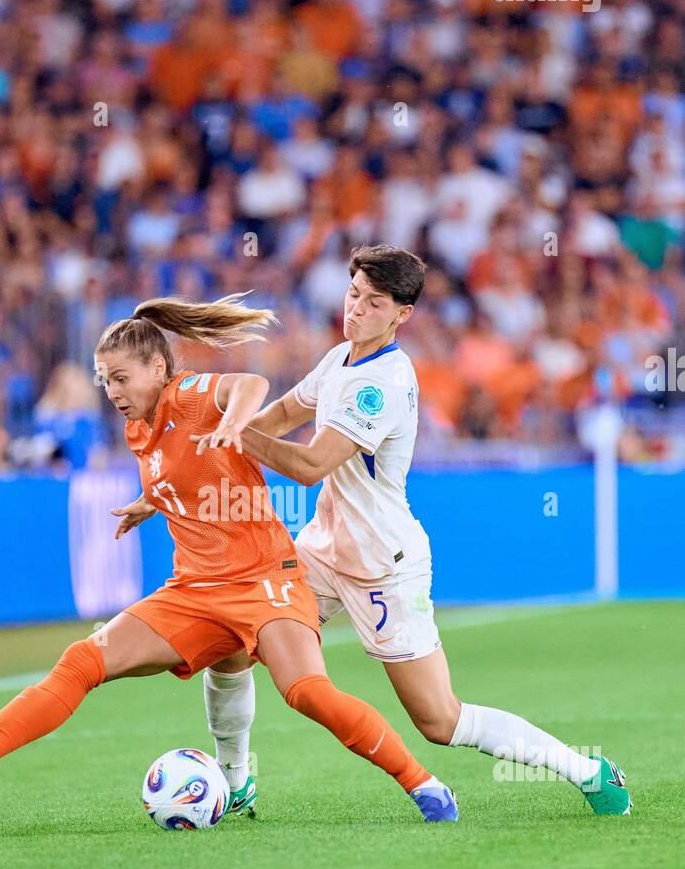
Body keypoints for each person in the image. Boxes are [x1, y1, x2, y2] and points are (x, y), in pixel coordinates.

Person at [0, 293, 458, 823]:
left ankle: (422, 783)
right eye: (105, 380)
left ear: (158, 369)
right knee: (84, 659)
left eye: (122, 378)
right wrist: (153, 500)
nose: (113, 391)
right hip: (196, 592)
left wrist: (236, 421)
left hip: (267, 581)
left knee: (307, 692)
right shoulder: (138, 429)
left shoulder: (188, 393)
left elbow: (250, 383)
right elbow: (186, 473)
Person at [120, 247, 630, 818]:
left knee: (441, 720)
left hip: (383, 565)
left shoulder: (382, 383)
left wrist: (231, 430)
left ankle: (587, 770)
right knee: (233, 643)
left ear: (401, 315)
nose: (356, 308)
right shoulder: (340, 359)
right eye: (354, 293)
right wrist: (180, 475)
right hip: (320, 552)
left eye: (374, 302)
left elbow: (310, 465)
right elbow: (281, 416)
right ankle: (237, 781)